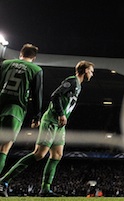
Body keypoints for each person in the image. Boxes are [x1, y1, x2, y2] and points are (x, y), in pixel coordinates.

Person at [0, 60, 95, 197]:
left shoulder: (79, 86)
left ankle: (45, 189)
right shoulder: (72, 81)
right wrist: (61, 114)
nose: (92, 74)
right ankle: (4, 181)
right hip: (51, 120)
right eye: (91, 71)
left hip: (60, 125)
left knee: (57, 154)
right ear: (85, 71)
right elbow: (55, 95)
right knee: (39, 154)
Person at [0, 44, 43, 176]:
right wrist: (37, 116)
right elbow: (37, 94)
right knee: (3, 149)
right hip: (15, 110)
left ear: (20, 53)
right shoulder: (36, 69)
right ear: (34, 57)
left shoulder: (5, 63)